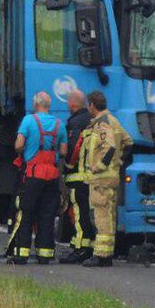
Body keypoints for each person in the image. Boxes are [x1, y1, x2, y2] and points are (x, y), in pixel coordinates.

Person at [8, 91, 67, 265]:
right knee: (47, 214)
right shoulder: (59, 124)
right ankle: (45, 254)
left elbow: (19, 145)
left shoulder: (28, 120)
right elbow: (63, 152)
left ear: (36, 104)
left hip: (33, 174)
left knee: (26, 212)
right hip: (52, 176)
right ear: (49, 106)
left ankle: (22, 253)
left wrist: (24, 150)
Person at [80, 91, 133, 268]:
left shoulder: (102, 124)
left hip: (101, 178)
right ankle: (107, 253)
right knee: (109, 215)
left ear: (92, 106)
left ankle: (101, 255)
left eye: (88, 105)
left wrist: (100, 166)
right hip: (111, 177)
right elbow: (128, 142)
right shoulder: (113, 120)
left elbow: (109, 147)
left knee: (101, 216)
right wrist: (119, 162)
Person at [60, 89, 96, 264]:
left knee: (78, 213)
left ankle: (81, 249)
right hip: (91, 175)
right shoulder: (92, 120)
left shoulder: (76, 123)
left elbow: (74, 148)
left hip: (77, 177)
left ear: (73, 104)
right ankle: (80, 245)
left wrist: (66, 166)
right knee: (84, 213)